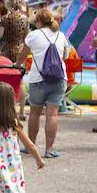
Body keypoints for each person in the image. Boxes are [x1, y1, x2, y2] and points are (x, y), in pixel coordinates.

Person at [23, 8, 70, 159]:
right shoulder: (61, 35)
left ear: (38, 22)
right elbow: (65, 56)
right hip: (58, 79)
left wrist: (18, 64)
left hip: (38, 79)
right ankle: (49, 150)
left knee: (35, 114)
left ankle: (31, 147)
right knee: (52, 115)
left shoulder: (32, 36)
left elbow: (22, 55)